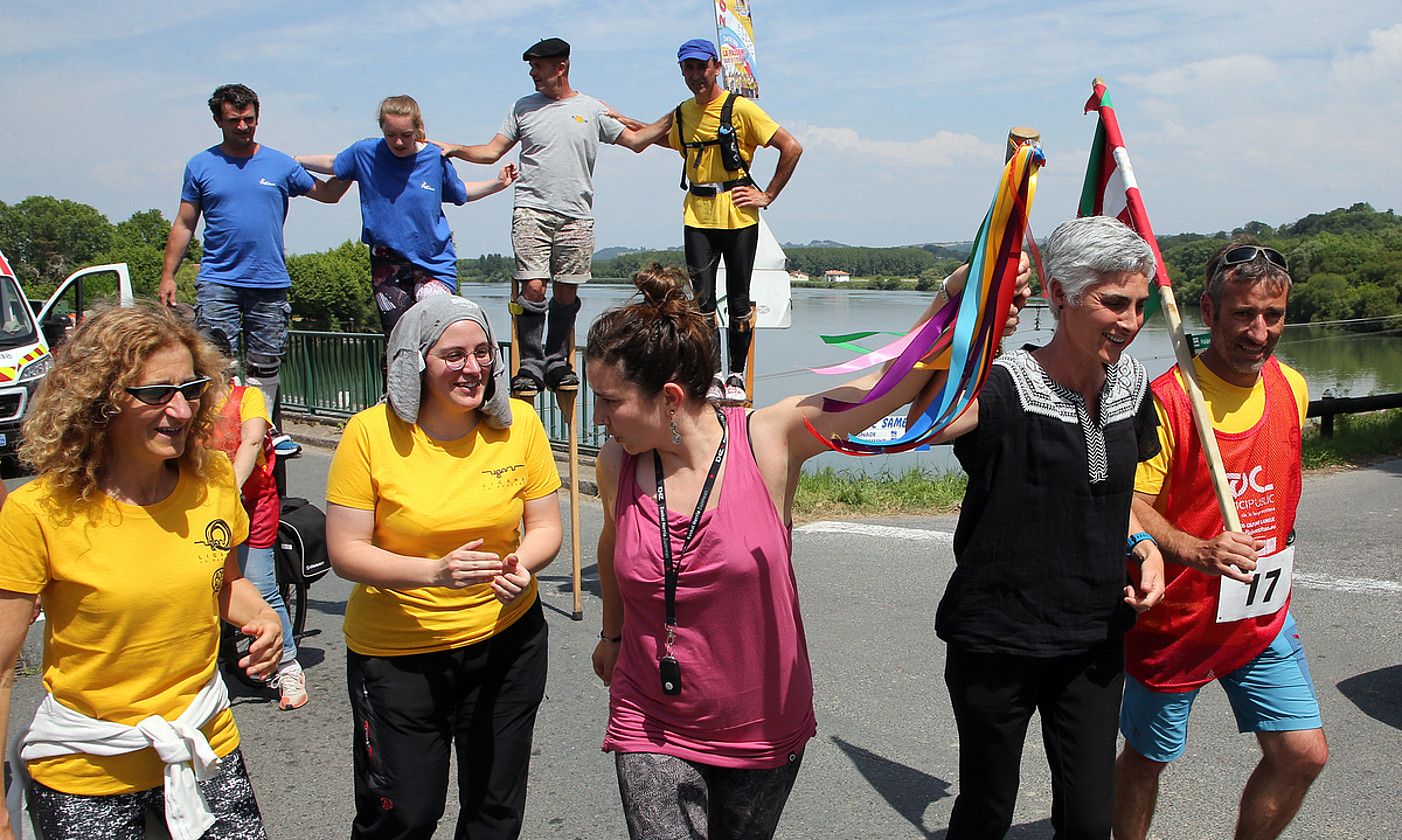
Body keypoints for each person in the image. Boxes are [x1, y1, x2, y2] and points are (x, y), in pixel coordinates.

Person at [585, 257, 1028, 840]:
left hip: (760, 723)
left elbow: (888, 384)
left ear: (669, 397)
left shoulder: (767, 440)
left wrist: (956, 299)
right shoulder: (619, 462)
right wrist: (613, 637)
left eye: (610, 400)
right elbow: (615, 546)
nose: (598, 417)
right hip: (650, 715)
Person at [0, 304, 282, 840]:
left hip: (205, 748)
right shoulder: (38, 510)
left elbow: (223, 583)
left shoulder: (214, 479)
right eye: (155, 393)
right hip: (88, 771)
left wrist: (262, 616)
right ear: (98, 401)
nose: (180, 410)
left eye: (192, 388)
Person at [928, 216, 1166, 839]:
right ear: (1058, 296)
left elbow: (1115, 497)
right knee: (986, 811)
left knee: (1089, 823)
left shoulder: (1133, 386)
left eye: (1139, 304)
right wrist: (956, 299)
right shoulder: (1003, 387)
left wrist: (1145, 545)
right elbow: (919, 410)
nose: (1131, 321)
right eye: (1112, 303)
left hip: (1092, 640)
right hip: (997, 641)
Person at [324, 295, 563, 839]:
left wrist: (519, 564)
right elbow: (346, 551)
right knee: (405, 814)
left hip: (507, 641)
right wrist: (433, 573)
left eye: (483, 352)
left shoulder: (519, 424)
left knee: (494, 814)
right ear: (415, 361)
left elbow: (546, 527)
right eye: (453, 355)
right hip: (400, 651)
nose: (473, 367)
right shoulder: (370, 433)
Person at [1113, 242, 1328, 840]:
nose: (1260, 332)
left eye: (1274, 315)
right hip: (1176, 620)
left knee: (1302, 753)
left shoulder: (1292, 387)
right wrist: (1195, 550)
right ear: (1208, 310)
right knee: (1148, 759)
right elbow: (1128, 504)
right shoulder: (1167, 401)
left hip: (1260, 612)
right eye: (1243, 314)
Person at [432, 37, 668, 396]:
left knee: (566, 290)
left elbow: (637, 142)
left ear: (561, 67)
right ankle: (530, 363)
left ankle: (557, 360)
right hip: (531, 208)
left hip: (576, 214)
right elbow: (493, 151)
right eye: (531, 68)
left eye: (538, 67)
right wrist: (456, 149)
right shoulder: (522, 108)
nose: (532, 74)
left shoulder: (591, 109)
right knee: (533, 285)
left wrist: (677, 115)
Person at [614, 39, 803, 403]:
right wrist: (614, 119)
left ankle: (735, 374)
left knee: (739, 298)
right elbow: (644, 137)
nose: (696, 75)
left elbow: (791, 147)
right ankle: (711, 373)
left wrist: (767, 195)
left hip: (738, 213)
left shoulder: (740, 109)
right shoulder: (682, 113)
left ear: (716, 67)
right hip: (698, 214)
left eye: (702, 67)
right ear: (681, 71)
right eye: (688, 68)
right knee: (701, 301)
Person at [159, 83, 342, 415]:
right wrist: (167, 276)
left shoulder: (279, 164)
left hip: (268, 281)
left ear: (258, 117)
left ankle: (263, 430)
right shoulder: (201, 165)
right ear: (218, 121)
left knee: (266, 364)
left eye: (249, 119)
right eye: (234, 120)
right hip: (219, 281)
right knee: (215, 362)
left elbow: (329, 195)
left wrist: (356, 165)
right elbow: (185, 224)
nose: (242, 127)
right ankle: (221, 432)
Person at [296, 95, 518, 336]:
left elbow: (459, 192)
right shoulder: (365, 152)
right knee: (399, 339)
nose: (398, 142)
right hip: (388, 263)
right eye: (390, 135)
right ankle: (395, 373)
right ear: (382, 129)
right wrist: (295, 162)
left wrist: (497, 183)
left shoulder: (434, 158)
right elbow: (334, 163)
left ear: (418, 130)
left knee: (434, 334)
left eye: (406, 135)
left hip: (433, 263)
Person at [209, 336, 309, 710]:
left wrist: (229, 490)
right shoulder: (188, 402)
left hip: (251, 503)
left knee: (260, 585)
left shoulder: (245, 397)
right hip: (202, 507)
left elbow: (251, 442)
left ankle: (288, 666)